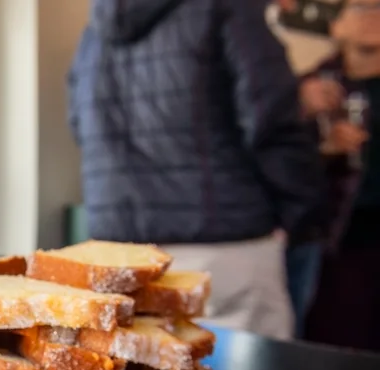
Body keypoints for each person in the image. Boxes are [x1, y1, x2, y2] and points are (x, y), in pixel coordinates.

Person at [69, 0, 324, 339]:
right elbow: (272, 122)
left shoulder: (93, 35)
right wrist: (302, 214)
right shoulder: (229, 10)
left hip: (121, 255)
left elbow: (80, 129)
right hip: (224, 248)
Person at [303, 0, 380, 350]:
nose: (373, 17)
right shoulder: (311, 89)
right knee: (337, 340)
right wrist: (324, 149)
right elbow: (279, 162)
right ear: (336, 26)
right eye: (361, 8)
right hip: (336, 239)